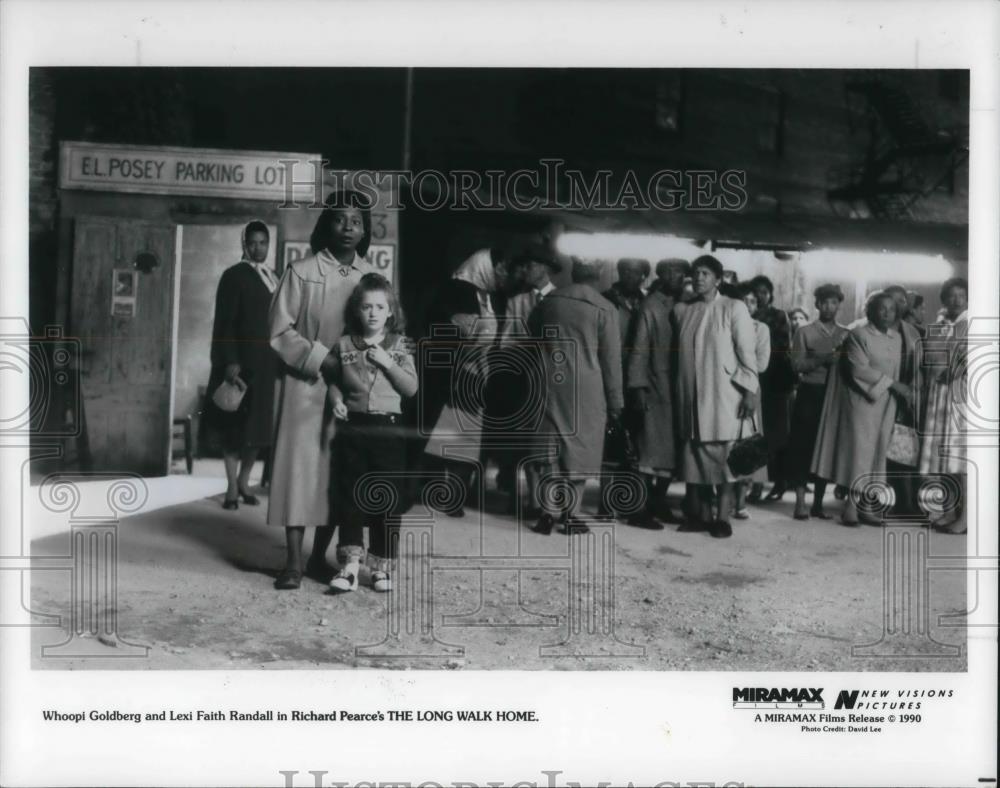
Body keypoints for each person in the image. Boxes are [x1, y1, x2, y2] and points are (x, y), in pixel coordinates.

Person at [268, 191, 376, 590]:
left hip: (350, 387)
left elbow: (383, 329)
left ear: (366, 230)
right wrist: (321, 359)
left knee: (337, 475)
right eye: (340, 219)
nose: (348, 228)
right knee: (297, 472)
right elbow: (279, 331)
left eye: (357, 221)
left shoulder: (370, 279)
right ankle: (293, 561)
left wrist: (352, 366)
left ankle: (319, 556)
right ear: (325, 224)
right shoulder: (301, 271)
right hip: (303, 384)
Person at [325, 274, 418, 593]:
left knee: (386, 497)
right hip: (354, 428)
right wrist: (336, 401)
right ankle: (350, 566)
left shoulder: (400, 344)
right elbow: (334, 381)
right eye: (367, 307)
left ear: (391, 311)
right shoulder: (345, 343)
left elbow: (411, 388)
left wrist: (389, 363)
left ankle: (380, 567)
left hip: (389, 429)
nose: (374, 313)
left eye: (380, 307)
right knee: (350, 494)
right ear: (357, 310)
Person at [529, 259, 623, 535]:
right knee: (580, 450)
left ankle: (546, 513)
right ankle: (571, 515)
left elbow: (532, 335)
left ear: (573, 271)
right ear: (601, 272)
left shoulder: (549, 302)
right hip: (587, 388)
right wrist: (616, 401)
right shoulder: (605, 308)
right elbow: (611, 362)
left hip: (548, 381)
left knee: (549, 450)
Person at [420, 246, 512, 516]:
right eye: (502, 268)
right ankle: (441, 492)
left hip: (477, 373)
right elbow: (449, 331)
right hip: (455, 374)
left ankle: (453, 496)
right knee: (447, 435)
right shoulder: (457, 290)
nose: (505, 274)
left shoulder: (487, 295)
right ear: (485, 266)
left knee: (467, 437)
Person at [673, 255, 759, 539]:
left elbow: (748, 353)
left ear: (718, 279)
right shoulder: (683, 311)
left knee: (725, 460)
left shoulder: (733, 308)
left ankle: (722, 518)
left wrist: (750, 391)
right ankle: (700, 515)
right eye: (696, 273)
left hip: (724, 395)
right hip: (691, 395)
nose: (699, 278)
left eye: (706, 273)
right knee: (694, 456)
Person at [811, 291, 914, 525]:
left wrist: (897, 394)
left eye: (891, 309)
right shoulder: (858, 335)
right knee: (860, 453)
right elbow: (859, 370)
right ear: (871, 311)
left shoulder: (896, 337)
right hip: (862, 402)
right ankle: (851, 507)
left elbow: (895, 370)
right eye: (882, 308)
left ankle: (866, 506)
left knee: (877, 453)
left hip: (886, 403)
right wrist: (894, 385)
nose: (887, 313)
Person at [206, 220, 279, 510]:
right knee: (234, 427)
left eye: (263, 242)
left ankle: (245, 481)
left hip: (267, 364)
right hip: (240, 362)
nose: (258, 247)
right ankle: (231, 488)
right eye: (253, 242)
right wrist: (230, 360)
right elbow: (225, 322)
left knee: (259, 429)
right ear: (244, 244)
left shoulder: (273, 277)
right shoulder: (233, 276)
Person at [497, 243, 562, 516]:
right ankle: (519, 497)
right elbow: (504, 343)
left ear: (545, 269)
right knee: (522, 439)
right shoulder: (517, 301)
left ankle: (548, 501)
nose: (526, 270)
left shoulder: (561, 300)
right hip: (524, 378)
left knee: (551, 441)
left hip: (554, 382)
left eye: (532, 266)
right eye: (525, 266)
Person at [625, 262, 681, 529]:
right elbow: (639, 349)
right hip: (655, 387)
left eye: (682, 273)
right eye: (672, 272)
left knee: (670, 454)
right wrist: (637, 388)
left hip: (676, 390)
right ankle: (639, 509)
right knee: (648, 452)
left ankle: (659, 501)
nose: (677, 277)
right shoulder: (650, 306)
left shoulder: (681, 305)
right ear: (661, 275)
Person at [786, 284, 848, 520]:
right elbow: (796, 365)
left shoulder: (845, 333)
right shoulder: (804, 332)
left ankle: (818, 504)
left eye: (833, 302)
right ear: (817, 305)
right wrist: (823, 359)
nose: (829, 307)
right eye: (824, 302)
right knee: (802, 446)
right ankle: (800, 502)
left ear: (839, 305)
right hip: (810, 393)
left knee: (826, 447)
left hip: (835, 396)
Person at [918, 277, 969, 534]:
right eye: (951, 295)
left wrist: (954, 370)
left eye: (961, 295)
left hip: (963, 396)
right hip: (940, 395)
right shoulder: (939, 325)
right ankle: (949, 511)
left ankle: (965, 517)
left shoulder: (973, 322)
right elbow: (930, 359)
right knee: (944, 457)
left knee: (961, 459)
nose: (956, 300)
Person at [747, 275, 795, 504]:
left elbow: (784, 347)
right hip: (753, 379)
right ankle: (755, 483)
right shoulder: (745, 313)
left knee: (777, 433)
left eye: (764, 292)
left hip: (774, 379)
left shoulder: (778, 316)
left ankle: (780, 481)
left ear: (771, 294)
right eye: (756, 292)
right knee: (756, 433)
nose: (760, 296)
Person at [730, 283, 771, 520]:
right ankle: (721, 497)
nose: (748, 305)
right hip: (725, 388)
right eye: (744, 300)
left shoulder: (761, 329)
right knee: (725, 440)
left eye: (753, 301)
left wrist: (739, 367)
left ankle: (740, 502)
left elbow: (762, 364)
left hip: (751, 388)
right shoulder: (728, 324)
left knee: (746, 441)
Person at [603, 258, 651, 356]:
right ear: (619, 272)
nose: (630, 276)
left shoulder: (648, 300)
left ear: (643, 276)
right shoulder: (604, 299)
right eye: (626, 270)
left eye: (636, 272)